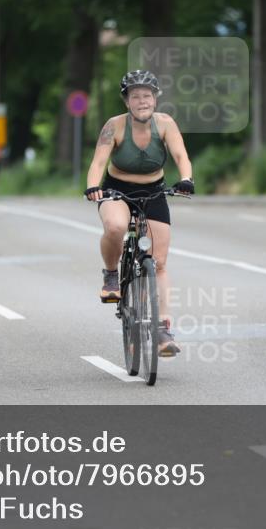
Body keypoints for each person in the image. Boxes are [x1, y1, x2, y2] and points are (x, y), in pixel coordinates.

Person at [84, 69, 195, 358]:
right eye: (136, 97)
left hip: (154, 190)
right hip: (117, 191)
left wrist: (186, 179)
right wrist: (93, 186)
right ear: (127, 101)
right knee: (116, 227)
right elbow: (98, 162)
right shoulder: (114, 126)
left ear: (155, 99)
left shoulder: (166, 124)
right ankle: (111, 276)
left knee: (158, 262)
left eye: (147, 96)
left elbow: (181, 155)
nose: (142, 101)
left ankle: (162, 330)